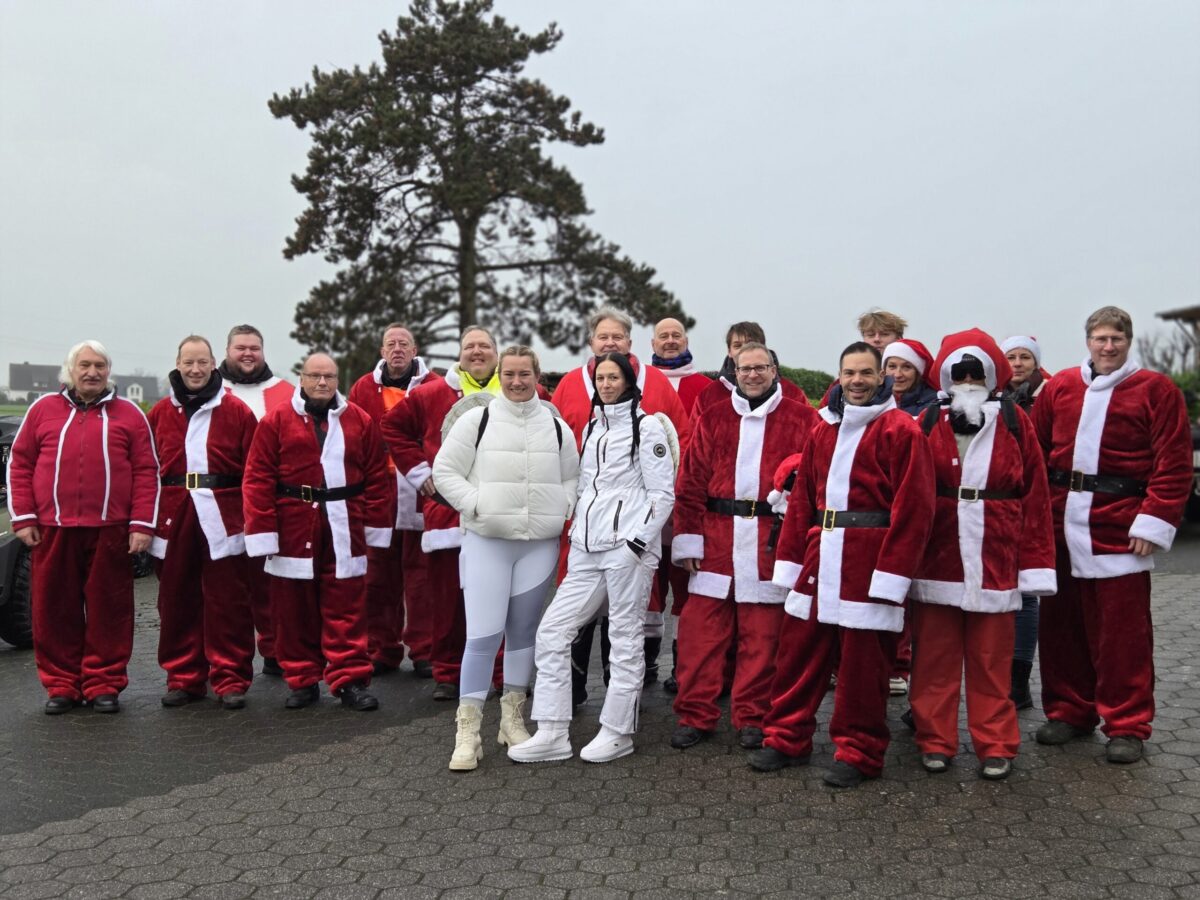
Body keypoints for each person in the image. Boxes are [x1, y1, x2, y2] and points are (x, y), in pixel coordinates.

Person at [749, 341, 935, 787]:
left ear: (881, 378)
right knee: (799, 657)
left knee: (862, 670)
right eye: (849, 373)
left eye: (865, 373)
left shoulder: (901, 431)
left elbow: (915, 511)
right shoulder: (823, 432)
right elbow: (802, 506)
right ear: (840, 376)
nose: (856, 381)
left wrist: (893, 577)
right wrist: (790, 565)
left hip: (868, 565)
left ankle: (859, 752)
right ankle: (785, 738)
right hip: (819, 557)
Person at [1032, 307, 1192, 764]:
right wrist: (1037, 516)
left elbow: (1174, 464)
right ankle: (1069, 711)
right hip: (1062, 524)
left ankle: (1126, 724)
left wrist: (1153, 520)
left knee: (1122, 637)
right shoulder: (1060, 388)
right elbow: (1036, 453)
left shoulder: (1156, 391)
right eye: (1100, 338)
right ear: (1088, 341)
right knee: (1061, 628)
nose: (1108, 347)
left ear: (1128, 341)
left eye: (1116, 339)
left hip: (1120, 527)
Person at [509, 352, 675, 763]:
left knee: (625, 639)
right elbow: (587, 488)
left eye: (614, 376)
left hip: (626, 552)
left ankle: (618, 731)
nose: (606, 383)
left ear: (628, 379)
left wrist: (636, 543)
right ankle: (551, 730)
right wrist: (577, 532)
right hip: (586, 548)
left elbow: (662, 494)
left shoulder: (646, 426)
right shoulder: (593, 426)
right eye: (600, 377)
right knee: (551, 633)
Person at [909, 329, 1055, 780]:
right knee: (933, 659)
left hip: (997, 555)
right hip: (938, 557)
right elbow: (908, 493)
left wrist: (1035, 564)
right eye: (961, 372)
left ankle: (996, 744)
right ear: (948, 376)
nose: (968, 378)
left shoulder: (1016, 422)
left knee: (992, 661)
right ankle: (935, 740)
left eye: (976, 372)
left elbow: (1035, 494)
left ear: (991, 377)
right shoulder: (925, 422)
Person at [432, 346, 580, 770]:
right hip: (488, 542)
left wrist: (563, 506)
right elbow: (444, 473)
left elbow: (572, 474)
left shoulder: (555, 425)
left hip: (539, 544)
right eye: (510, 374)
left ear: (537, 377)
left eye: (525, 374)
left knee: (524, 633)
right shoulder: (477, 420)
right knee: (482, 635)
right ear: (501, 375)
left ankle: (511, 719)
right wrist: (476, 505)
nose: (517, 382)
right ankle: (468, 730)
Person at [669, 342, 820, 751]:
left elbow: (812, 487)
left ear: (775, 370)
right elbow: (689, 483)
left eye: (760, 368)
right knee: (701, 637)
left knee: (763, 639)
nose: (752, 375)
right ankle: (695, 714)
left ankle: (753, 717)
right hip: (716, 538)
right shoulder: (714, 417)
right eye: (744, 368)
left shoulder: (803, 419)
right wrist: (688, 538)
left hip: (768, 542)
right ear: (733, 372)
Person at [7, 340, 159, 714]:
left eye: (100, 366)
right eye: (85, 365)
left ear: (109, 371)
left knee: (111, 610)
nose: (93, 372)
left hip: (111, 530)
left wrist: (142, 524)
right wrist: (23, 517)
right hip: (52, 529)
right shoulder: (42, 410)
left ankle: (103, 683)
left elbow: (146, 471)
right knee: (54, 609)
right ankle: (62, 685)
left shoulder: (129, 415)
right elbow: (20, 464)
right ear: (70, 371)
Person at [550, 307, 690, 698]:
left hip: (632, 522)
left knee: (625, 610)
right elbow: (556, 445)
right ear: (592, 342)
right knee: (575, 604)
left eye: (617, 337)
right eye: (602, 337)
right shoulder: (569, 387)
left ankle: (623, 691)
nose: (609, 343)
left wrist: (655, 516)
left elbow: (681, 444)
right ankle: (572, 688)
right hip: (582, 520)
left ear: (629, 342)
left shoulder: (657, 383)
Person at [242, 353, 393, 711]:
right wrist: (263, 529)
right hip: (293, 524)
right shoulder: (277, 420)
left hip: (345, 523)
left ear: (337, 379)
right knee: (293, 609)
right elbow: (258, 476)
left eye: (328, 376)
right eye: (315, 376)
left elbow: (376, 477)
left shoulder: (360, 420)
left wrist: (374, 526)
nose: (322, 383)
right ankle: (303, 679)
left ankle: (350, 679)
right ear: (302, 379)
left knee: (347, 608)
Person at [381, 326, 518, 701]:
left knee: (500, 598)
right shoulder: (431, 393)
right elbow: (391, 425)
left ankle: (500, 672)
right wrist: (419, 474)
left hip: (501, 513)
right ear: (459, 354)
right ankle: (448, 671)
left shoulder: (515, 391)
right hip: (447, 514)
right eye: (470, 346)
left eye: (485, 346)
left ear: (496, 351)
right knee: (446, 599)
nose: (477, 352)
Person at [148, 336, 258, 709]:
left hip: (225, 516)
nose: (195, 370)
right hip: (173, 512)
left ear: (214, 364)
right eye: (188, 362)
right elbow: (147, 470)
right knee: (177, 599)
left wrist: (252, 520)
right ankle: (184, 676)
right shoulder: (161, 412)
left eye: (202, 362)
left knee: (228, 602)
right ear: (178, 364)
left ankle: (230, 677)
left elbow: (254, 472)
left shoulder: (237, 411)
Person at [348, 323, 436, 676]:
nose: (397, 349)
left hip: (420, 492)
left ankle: (426, 649)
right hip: (379, 495)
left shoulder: (433, 387)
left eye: (404, 344)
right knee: (378, 578)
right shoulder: (362, 388)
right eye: (390, 344)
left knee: (422, 578)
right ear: (382, 351)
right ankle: (382, 648)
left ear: (415, 351)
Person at [219, 325, 295, 676]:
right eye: (240, 348)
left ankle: (276, 649)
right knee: (227, 586)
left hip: (272, 501)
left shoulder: (286, 392)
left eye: (254, 347)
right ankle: (227, 660)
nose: (247, 354)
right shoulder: (210, 391)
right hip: (223, 501)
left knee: (272, 583)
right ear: (228, 350)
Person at [649, 316, 713, 694]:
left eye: (676, 336)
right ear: (653, 343)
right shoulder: (640, 384)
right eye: (664, 337)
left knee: (688, 589)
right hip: (645, 506)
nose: (670, 341)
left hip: (688, 503)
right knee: (646, 588)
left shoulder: (704, 387)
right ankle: (645, 661)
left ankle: (684, 665)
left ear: (686, 340)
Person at [1000, 334, 1053, 709]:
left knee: (1026, 594)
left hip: (1033, 498)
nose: (1017, 364)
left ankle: (1019, 680)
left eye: (1024, 357)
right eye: (1011, 357)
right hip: (999, 506)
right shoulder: (995, 398)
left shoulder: (1045, 398)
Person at [882, 339, 939, 416]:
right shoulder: (871, 400)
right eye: (892, 366)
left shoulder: (934, 404)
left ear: (918, 373)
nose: (897, 375)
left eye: (906, 367)